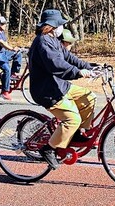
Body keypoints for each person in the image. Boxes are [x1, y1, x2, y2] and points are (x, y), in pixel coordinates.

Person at [28, 9, 97, 170]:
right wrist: (78, 72)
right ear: (51, 26)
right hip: (47, 91)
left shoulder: (53, 40)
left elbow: (69, 58)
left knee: (89, 97)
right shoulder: (43, 42)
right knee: (72, 119)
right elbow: (57, 65)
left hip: (60, 86)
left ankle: (76, 133)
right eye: (60, 24)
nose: (62, 27)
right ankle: (49, 149)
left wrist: (90, 66)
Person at [0, 16, 23, 101]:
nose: (5, 25)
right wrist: (12, 48)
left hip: (3, 53)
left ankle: (13, 73)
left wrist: (15, 49)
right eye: (3, 24)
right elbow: (2, 43)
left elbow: (6, 43)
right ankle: (5, 92)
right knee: (7, 69)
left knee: (18, 54)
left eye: (5, 24)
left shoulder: (2, 33)